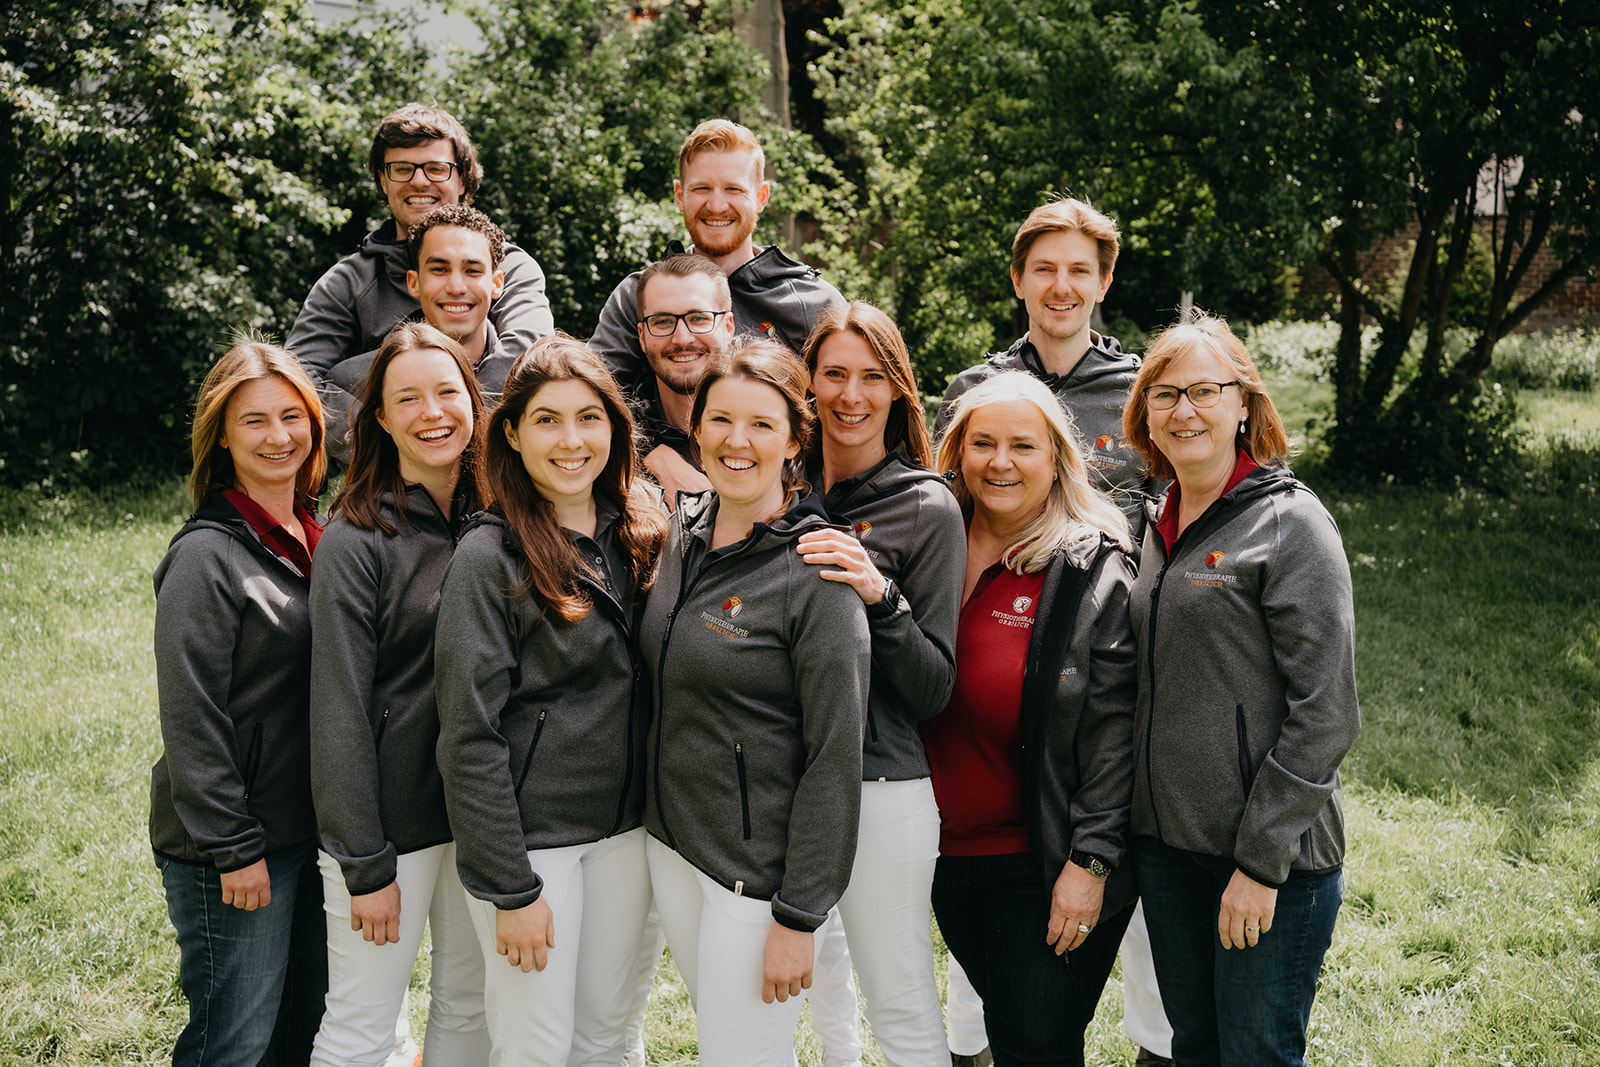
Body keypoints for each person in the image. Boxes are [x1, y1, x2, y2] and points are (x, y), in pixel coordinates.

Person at [936, 195, 1171, 1066]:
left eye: (1080, 269)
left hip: (1121, 644)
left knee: (1124, 867)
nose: (1061, 285)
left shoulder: (1142, 387)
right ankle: (974, 1045)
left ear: (1105, 280)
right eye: (1045, 268)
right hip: (1003, 653)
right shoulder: (977, 387)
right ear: (1018, 280)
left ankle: (1159, 1044)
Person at [1121, 313, 1359, 1066]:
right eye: (1164, 394)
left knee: (1254, 1052)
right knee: (1192, 1046)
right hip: (1168, 849)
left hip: (1267, 859)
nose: (1183, 410)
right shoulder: (1154, 520)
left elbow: (1326, 711)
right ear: (1145, 411)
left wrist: (1259, 864)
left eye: (1203, 390)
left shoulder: (1290, 525)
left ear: (1245, 404)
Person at [433, 337, 667, 1065]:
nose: (571, 440)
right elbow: (467, 734)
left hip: (628, 835)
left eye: (589, 418)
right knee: (535, 1046)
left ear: (615, 428)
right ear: (511, 432)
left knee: (607, 1038)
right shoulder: (488, 557)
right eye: (547, 420)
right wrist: (511, 886)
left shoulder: (646, 530)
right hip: (533, 847)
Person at [640, 339, 871, 1066]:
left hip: (756, 875)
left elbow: (836, 755)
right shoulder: (678, 533)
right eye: (721, 420)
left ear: (795, 439)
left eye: (762, 424)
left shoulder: (819, 574)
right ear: (697, 429)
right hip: (672, 847)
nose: (738, 441)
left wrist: (799, 915)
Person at [923, 370, 1140, 1067]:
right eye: (982, 442)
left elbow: (1117, 731)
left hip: (1039, 862)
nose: (1000, 461)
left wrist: (1090, 861)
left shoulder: (1089, 569)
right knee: (1022, 1035)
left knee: (1032, 1048)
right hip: (945, 863)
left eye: (1023, 445)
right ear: (957, 450)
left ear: (1056, 460)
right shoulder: (930, 543)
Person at [308, 322, 492, 1066]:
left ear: (474, 401)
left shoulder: (503, 518)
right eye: (406, 398)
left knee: (468, 1011)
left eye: (447, 391)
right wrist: (363, 860)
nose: (432, 411)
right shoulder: (355, 538)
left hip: (479, 818)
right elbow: (338, 703)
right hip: (389, 824)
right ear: (379, 417)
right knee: (361, 1025)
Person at [792, 302, 963, 1067]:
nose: (850, 395)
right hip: (780, 778)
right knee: (817, 986)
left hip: (881, 783)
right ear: (808, 383)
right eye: (833, 374)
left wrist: (879, 594)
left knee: (897, 995)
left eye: (871, 376)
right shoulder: (774, 483)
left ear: (898, 391)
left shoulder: (928, 506)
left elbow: (933, 688)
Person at [150, 338, 329, 1066]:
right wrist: (233, 846)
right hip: (234, 844)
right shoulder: (205, 556)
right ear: (221, 433)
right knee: (234, 1043)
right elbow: (191, 715)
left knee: (299, 1033)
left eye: (292, 416)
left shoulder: (313, 530)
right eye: (254, 421)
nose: (278, 435)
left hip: (307, 832)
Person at [289, 103, 555, 456]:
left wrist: (461, 434)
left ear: (462, 179)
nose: (419, 181)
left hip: (497, 455)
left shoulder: (510, 264)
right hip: (390, 468)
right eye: (402, 169)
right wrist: (393, 441)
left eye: (436, 169)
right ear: (383, 180)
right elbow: (298, 379)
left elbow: (528, 349)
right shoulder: (347, 283)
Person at [588, 118, 843, 405]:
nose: (717, 206)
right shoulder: (637, 297)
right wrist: (652, 448)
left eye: (733, 189)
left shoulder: (813, 304)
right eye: (702, 189)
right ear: (680, 196)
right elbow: (591, 399)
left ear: (761, 198)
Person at [325, 205, 519, 441]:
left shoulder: (529, 383)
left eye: (473, 270)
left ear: (497, 283)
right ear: (413, 282)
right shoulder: (353, 384)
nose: (456, 287)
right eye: (439, 269)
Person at [629, 251, 738, 502]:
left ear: (728, 327)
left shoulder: (769, 424)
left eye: (698, 318)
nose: (682, 339)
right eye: (663, 321)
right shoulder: (614, 436)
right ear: (642, 336)